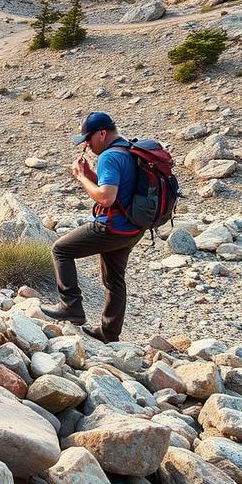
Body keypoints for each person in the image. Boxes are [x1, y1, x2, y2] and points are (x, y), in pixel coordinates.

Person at [44, 111, 141, 343]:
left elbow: (106, 198)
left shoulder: (109, 156)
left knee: (61, 250)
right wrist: (91, 174)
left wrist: (81, 177)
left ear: (102, 133)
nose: (87, 145)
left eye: (88, 139)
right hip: (133, 228)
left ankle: (71, 307)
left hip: (111, 227)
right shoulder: (129, 149)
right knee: (115, 281)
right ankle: (109, 334)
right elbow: (120, 188)